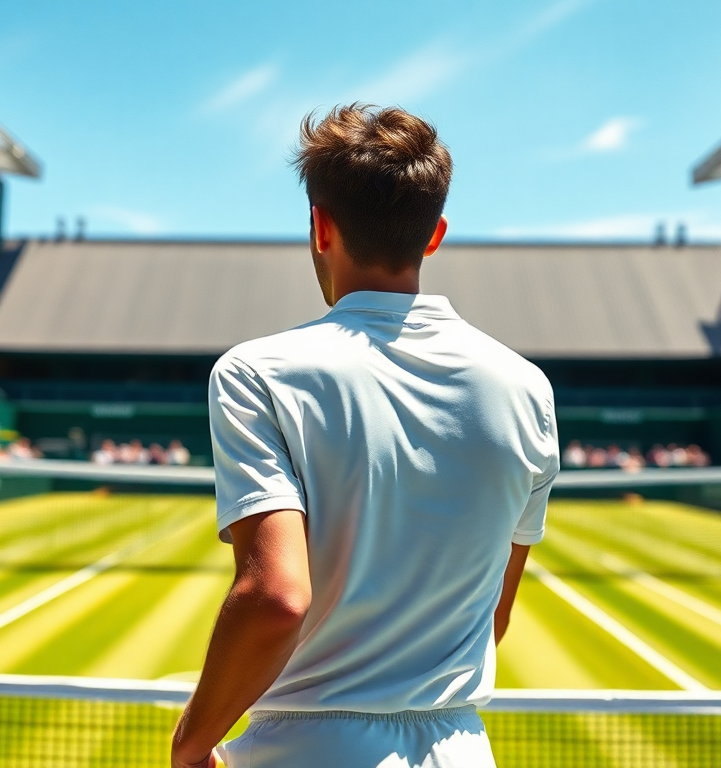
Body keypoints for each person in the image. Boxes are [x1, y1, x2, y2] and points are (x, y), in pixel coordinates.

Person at [172, 105, 558, 768]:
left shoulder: (254, 373)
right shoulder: (528, 390)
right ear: (433, 235)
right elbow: (492, 616)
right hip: (464, 749)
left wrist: (193, 741)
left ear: (320, 225)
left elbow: (275, 597)